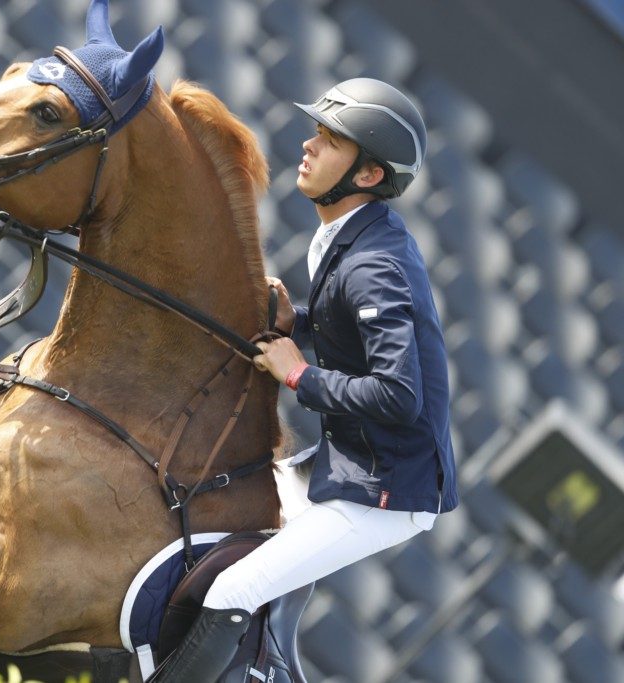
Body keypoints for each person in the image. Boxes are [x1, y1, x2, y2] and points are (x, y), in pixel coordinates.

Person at [152, 78, 460, 682]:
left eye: (329, 141)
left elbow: (399, 396)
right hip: (351, 457)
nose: (308, 147)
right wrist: (301, 324)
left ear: (368, 175)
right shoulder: (347, 234)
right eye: (317, 133)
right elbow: (346, 330)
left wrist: (297, 373)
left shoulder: (374, 265)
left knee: (231, 592)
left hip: (384, 494)